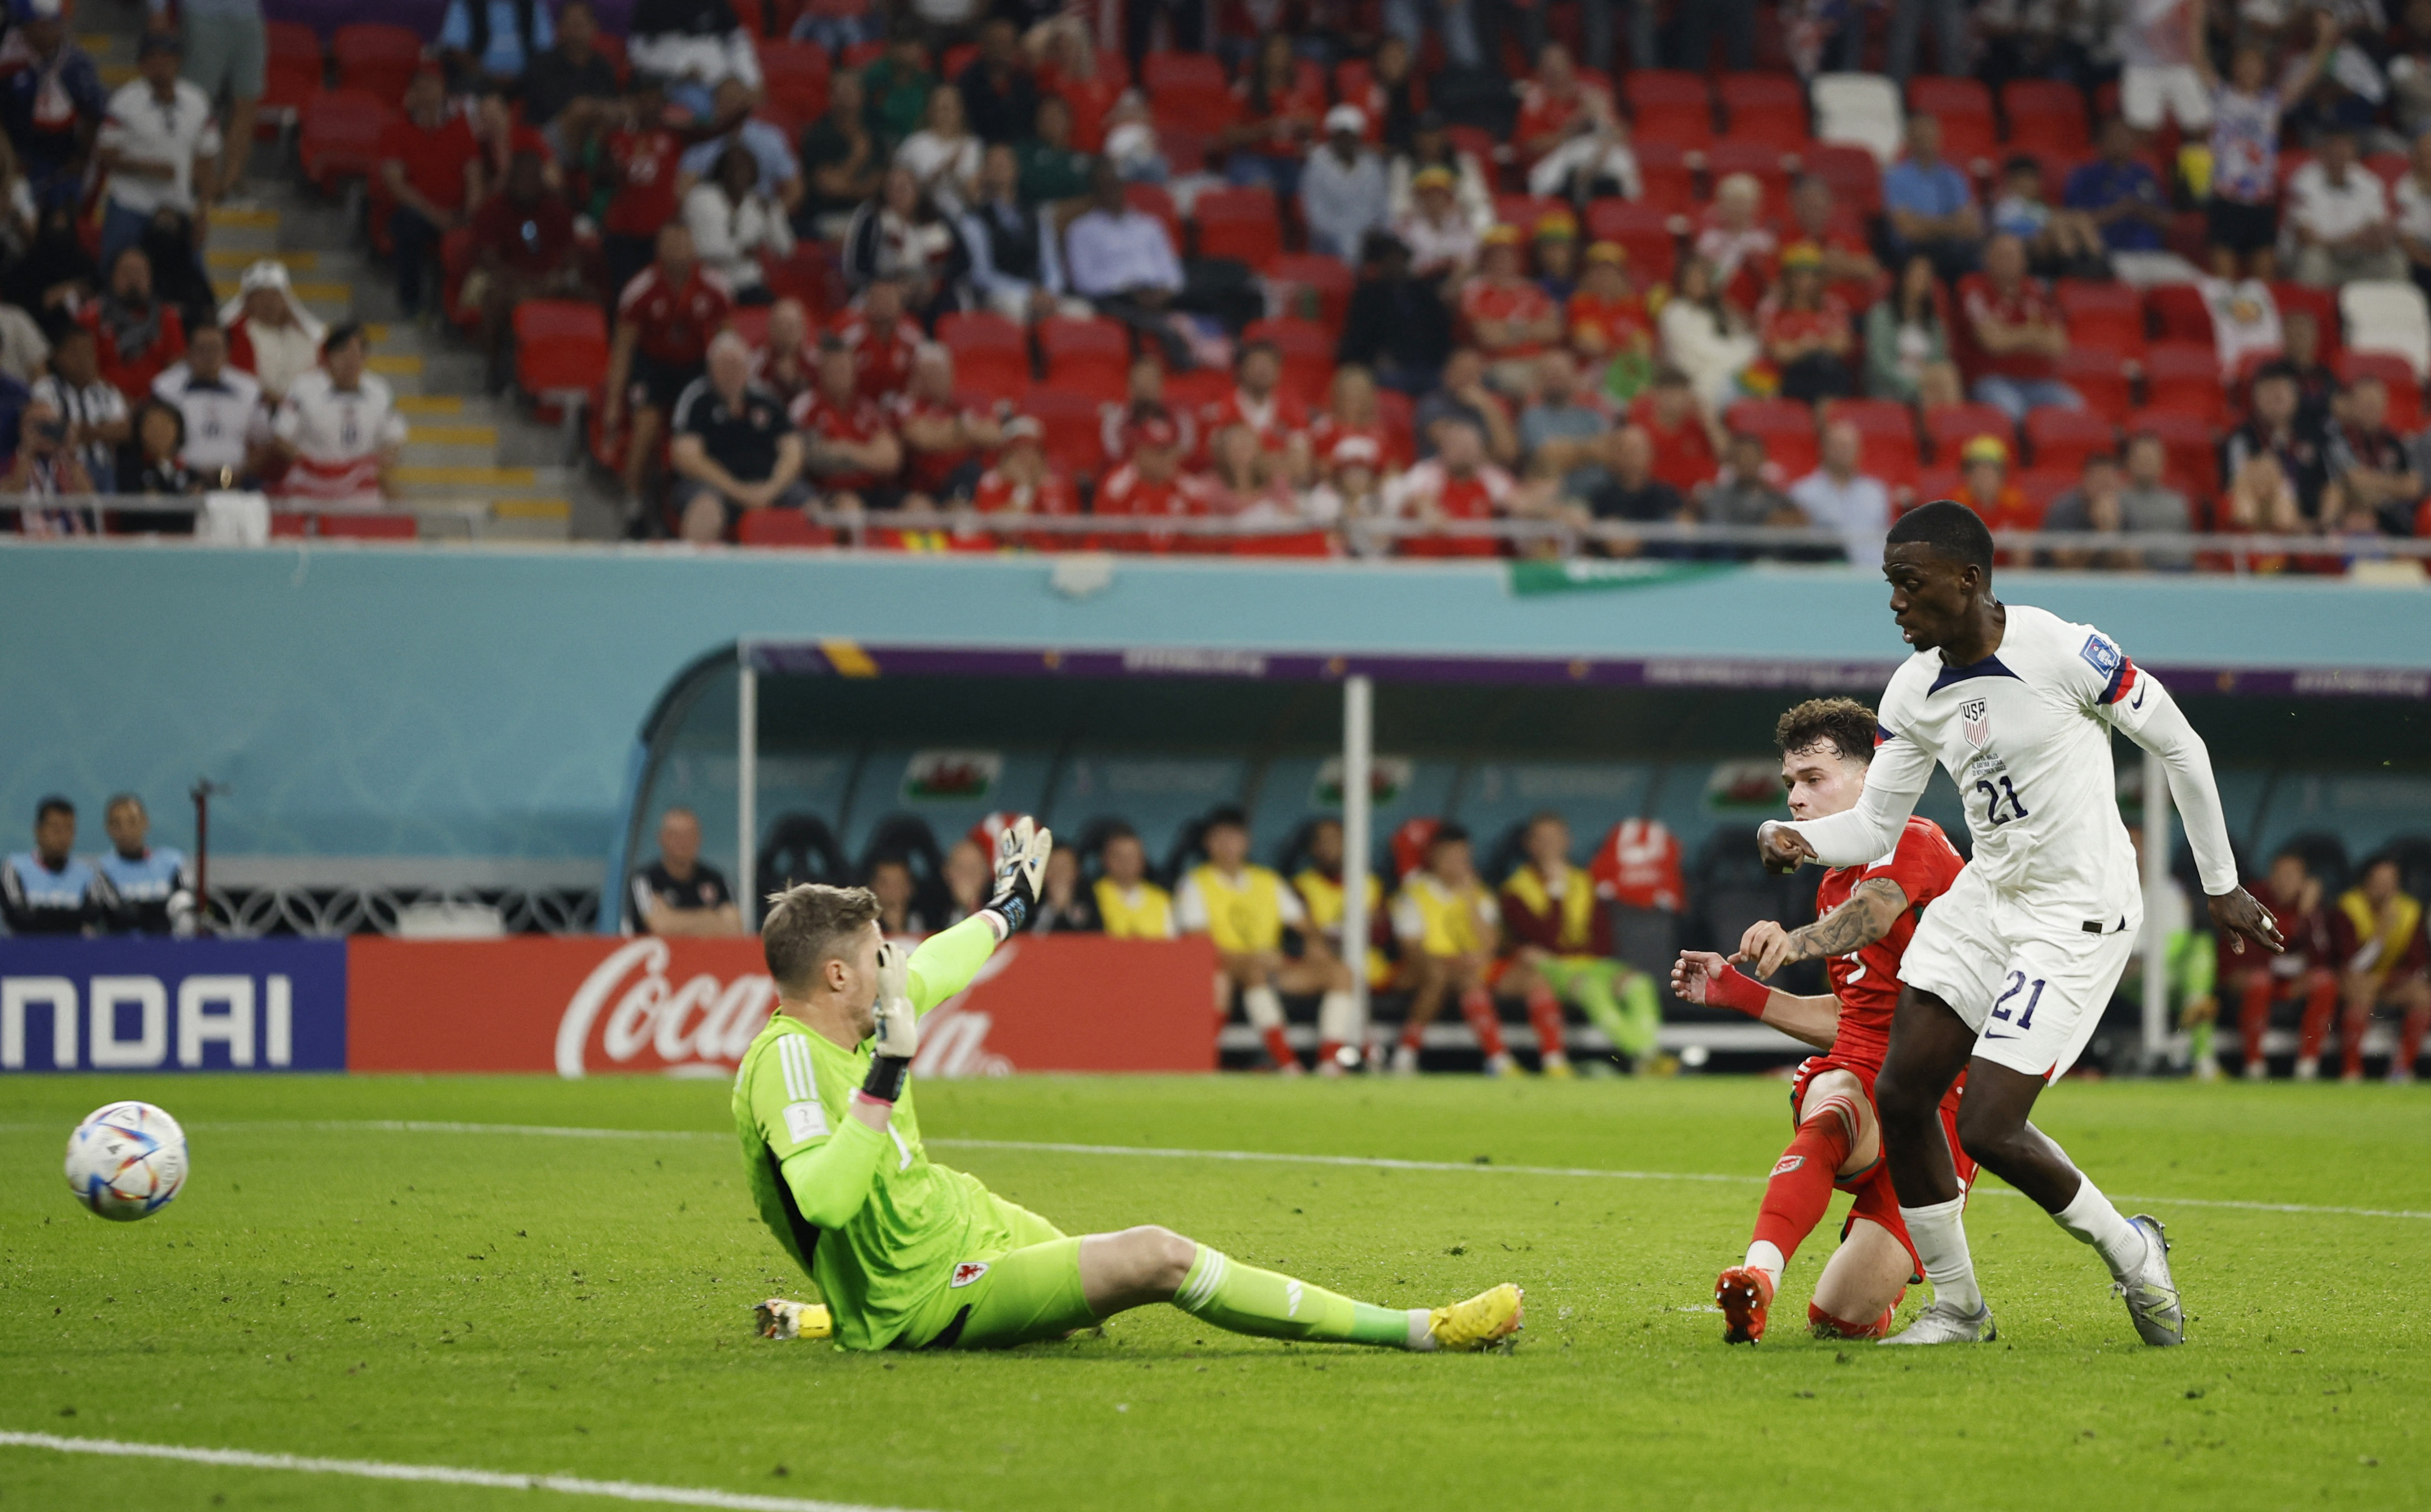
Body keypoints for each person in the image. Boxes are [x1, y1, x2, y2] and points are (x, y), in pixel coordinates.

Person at [1756, 500, 2282, 1346]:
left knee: (1990, 1125)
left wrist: (2221, 884)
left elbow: (2181, 744)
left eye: (1909, 583)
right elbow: (1872, 829)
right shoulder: (1912, 687)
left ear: (1967, 581)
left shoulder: (2063, 648)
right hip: (1987, 899)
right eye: (1891, 584)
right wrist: (1796, 837)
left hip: (2075, 911)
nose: (1894, 601)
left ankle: (2133, 1250)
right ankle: (1959, 1307)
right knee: (1901, 1089)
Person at [735, 819, 1526, 1354]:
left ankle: (814, 1317)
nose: (896, 966)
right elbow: (827, 1203)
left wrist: (1012, 903)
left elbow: (945, 956)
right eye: (880, 955)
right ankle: (1419, 1327)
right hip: (920, 1292)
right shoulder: (789, 1064)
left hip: (960, 1216)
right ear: (837, 974)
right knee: (1155, 1257)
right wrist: (888, 1073)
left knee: (1087, 1325)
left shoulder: (875, 1007)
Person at [1675, 697, 1970, 1343]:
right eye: (1790, 784)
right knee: (1836, 1097)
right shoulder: (1833, 880)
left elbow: (1875, 912)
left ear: (1873, 778)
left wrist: (1798, 940)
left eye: (1814, 779)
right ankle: (1758, 1277)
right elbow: (1853, 1020)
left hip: (1947, 1098)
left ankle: (1882, 1286)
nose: (1797, 799)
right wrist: (1740, 994)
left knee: (1839, 1320)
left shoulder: (1914, 841)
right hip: (1867, 1075)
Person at [1174, 806, 1361, 1076]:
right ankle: (1287, 1063)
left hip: (1272, 966)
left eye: (1234, 837)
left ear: (1246, 842)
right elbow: (1198, 944)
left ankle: (1330, 1062)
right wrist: (1253, 958)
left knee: (1341, 972)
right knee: (1252, 969)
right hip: (1225, 969)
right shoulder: (1195, 883)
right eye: (1220, 838)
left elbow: (1307, 926)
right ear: (1208, 843)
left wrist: (1315, 946)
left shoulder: (1267, 881)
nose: (1228, 845)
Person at [1499, 812, 1665, 1077]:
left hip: (1593, 964)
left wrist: (1611, 969)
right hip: (1552, 967)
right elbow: (1542, 941)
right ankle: (1646, 1056)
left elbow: (1602, 939)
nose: (1549, 846)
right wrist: (1556, 892)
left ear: (1567, 842)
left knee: (1638, 983)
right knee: (1592, 989)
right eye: (1542, 839)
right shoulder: (1516, 889)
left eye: (1555, 838)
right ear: (1529, 845)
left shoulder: (1585, 882)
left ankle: (1648, 1057)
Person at [2196, 20, 2339, 282]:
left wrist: (2323, 41)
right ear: (2233, 67)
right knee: (2225, 284)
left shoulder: (2272, 102)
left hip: (2261, 203)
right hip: (2226, 199)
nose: (2249, 69)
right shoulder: (2221, 95)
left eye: (2256, 64)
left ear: (2265, 70)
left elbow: (2308, 75)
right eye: (2244, 62)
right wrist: (2197, 13)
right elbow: (2198, 57)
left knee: (2265, 284)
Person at [606, 224, 733, 512]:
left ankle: (710, 491)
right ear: (659, 249)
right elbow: (623, 351)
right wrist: (613, 403)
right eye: (671, 244)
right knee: (647, 425)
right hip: (652, 365)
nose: (678, 250)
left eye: (684, 243)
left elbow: (729, 343)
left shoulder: (715, 286)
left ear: (694, 247)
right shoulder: (640, 289)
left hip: (695, 365)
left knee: (712, 424)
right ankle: (632, 499)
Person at [1388, 824, 1512, 1075]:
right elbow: (1411, 949)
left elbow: (1491, 945)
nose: (1459, 863)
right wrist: (1453, 961)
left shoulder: (1479, 894)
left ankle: (1499, 1059)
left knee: (1479, 978)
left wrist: (1470, 904)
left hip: (1470, 969)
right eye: (1452, 856)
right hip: (1421, 969)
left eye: (1464, 856)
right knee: (1437, 975)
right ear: (1435, 856)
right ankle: (1405, 1054)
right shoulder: (1414, 893)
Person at [95, 32, 219, 277]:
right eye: (152, 58)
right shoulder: (125, 101)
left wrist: (203, 213)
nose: (159, 64)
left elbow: (207, 160)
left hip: (178, 206)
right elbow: (106, 155)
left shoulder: (198, 102)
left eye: (166, 57)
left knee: (189, 277)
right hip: (130, 204)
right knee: (113, 273)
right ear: (141, 64)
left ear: (178, 61)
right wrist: (148, 168)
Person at [471, 150, 598, 389]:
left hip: (550, 279)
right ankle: (495, 367)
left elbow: (571, 253)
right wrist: (522, 281)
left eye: (533, 178)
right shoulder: (493, 209)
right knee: (494, 298)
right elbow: (488, 258)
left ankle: (586, 373)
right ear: (511, 179)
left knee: (591, 297)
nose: (527, 185)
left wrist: (557, 277)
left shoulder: (556, 208)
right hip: (509, 280)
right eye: (522, 178)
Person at [669, 330, 806, 543]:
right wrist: (738, 490)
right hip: (715, 486)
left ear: (748, 367)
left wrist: (770, 489)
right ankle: (695, 573)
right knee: (706, 509)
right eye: (724, 365)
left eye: (737, 365)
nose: (731, 372)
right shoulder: (697, 399)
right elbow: (686, 458)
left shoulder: (766, 398)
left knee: (813, 509)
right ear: (711, 368)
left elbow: (793, 451)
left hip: (768, 485)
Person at [2224, 848, 2337, 1080]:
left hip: (2290, 983)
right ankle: (2254, 1065)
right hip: (2256, 979)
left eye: (2292, 876)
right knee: (2259, 981)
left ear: (2304, 882)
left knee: (2324, 982)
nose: (2284, 882)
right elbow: (2255, 952)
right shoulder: (2252, 901)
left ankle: (2308, 1064)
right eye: (2279, 875)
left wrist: (2308, 913)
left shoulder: (2312, 908)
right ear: (2270, 877)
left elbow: (2322, 956)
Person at [379, 67, 483, 319]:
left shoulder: (459, 127)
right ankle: (411, 301)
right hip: (420, 212)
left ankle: (470, 308)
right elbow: (396, 184)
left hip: (457, 211)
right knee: (407, 223)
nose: (428, 93)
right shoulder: (396, 129)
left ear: (444, 91)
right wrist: (435, 215)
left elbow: (474, 174)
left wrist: (472, 212)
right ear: (411, 94)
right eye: (421, 87)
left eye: (433, 86)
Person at [269, 323, 408, 509]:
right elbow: (281, 436)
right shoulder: (304, 388)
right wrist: (314, 468)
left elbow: (394, 439)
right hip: (313, 487)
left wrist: (377, 464)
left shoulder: (379, 390)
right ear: (329, 356)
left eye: (358, 353)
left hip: (360, 488)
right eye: (344, 353)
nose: (352, 361)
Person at [2327, 856, 2430, 1083]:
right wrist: (2380, 937)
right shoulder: (2348, 907)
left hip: (2389, 981)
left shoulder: (2409, 911)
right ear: (2365, 882)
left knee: (2423, 996)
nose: (2384, 888)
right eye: (2378, 881)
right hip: (2353, 980)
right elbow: (2351, 964)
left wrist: (2387, 978)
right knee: (2360, 989)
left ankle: (2401, 1069)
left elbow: (2417, 964)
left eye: (2390, 881)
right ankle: (2352, 1070)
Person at [148, 0, 261, 203]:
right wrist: (157, 9)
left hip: (249, 15)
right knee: (197, 101)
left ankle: (230, 181)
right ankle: (194, 178)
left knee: (247, 99)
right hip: (203, 15)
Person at [1961, 233, 2078, 424]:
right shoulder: (1973, 286)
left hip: (2041, 381)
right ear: (1987, 259)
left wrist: (2009, 334)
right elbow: (1993, 342)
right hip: (1992, 380)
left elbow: (2058, 345)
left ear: (2024, 261)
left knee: (2076, 412)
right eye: (2001, 255)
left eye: (2013, 256)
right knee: (2013, 413)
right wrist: (2033, 333)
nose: (2008, 262)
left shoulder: (2036, 290)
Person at [0, 0, 107, 209]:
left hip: (62, 162)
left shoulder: (75, 64)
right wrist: (9, 158)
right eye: (27, 26)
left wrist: (82, 157)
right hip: (18, 159)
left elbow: (94, 111)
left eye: (44, 26)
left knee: (60, 227)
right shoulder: (10, 59)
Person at [839, 164, 970, 318]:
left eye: (902, 188)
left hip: (931, 290)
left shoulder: (938, 219)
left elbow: (963, 262)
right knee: (883, 305)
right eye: (891, 189)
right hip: (883, 288)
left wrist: (935, 285)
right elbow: (855, 269)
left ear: (917, 191)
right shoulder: (872, 218)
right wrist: (890, 288)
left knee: (950, 304)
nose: (896, 195)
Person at [792, 338, 902, 514]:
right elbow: (814, 459)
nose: (840, 375)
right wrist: (868, 454)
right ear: (821, 372)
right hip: (828, 493)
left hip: (874, 489)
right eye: (834, 370)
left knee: (918, 507)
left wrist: (845, 451)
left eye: (844, 368)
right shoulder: (806, 407)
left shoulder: (867, 408)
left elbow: (891, 460)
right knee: (849, 509)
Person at [151, 317, 265, 487]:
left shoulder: (248, 389)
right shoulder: (166, 388)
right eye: (202, 350)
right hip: (182, 479)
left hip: (233, 480)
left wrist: (240, 473)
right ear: (188, 352)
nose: (209, 357)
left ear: (227, 352)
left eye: (215, 349)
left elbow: (264, 442)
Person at [1338, 230, 1454, 396]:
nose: (1396, 264)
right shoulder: (1368, 295)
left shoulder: (1423, 292)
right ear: (1380, 264)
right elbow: (1358, 337)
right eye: (1390, 260)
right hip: (1389, 367)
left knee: (1446, 383)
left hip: (1428, 365)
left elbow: (1441, 331)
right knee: (1389, 378)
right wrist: (1374, 358)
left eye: (1400, 259)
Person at [2288, 126, 2405, 287]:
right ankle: (2311, 309)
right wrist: (2350, 240)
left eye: (2345, 150)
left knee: (2395, 259)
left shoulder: (2370, 183)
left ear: (2355, 154)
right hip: (2324, 257)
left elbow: (2378, 232)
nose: (2340, 155)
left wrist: (2383, 235)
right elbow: (2306, 239)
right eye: (2334, 150)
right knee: (2313, 259)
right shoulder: (2304, 180)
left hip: (2360, 257)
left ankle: (2392, 311)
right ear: (2321, 153)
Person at [1384, 412, 1513, 556]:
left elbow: (1519, 502)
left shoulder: (1491, 476)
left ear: (1480, 449)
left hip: (1479, 565)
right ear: (1443, 448)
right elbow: (1420, 500)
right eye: (1457, 445)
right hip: (1430, 565)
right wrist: (1427, 510)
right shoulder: (1426, 472)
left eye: (1469, 446)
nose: (1464, 452)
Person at [685, 142, 795, 302]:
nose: (739, 173)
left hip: (748, 284)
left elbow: (786, 250)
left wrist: (772, 216)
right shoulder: (702, 198)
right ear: (722, 170)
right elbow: (706, 249)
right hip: (709, 284)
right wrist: (742, 252)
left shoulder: (759, 203)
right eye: (733, 167)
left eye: (746, 168)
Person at [1220, 33, 1320, 200]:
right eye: (1275, 51)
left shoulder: (1297, 92)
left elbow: (1313, 129)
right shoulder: (1245, 89)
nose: (1280, 56)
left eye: (1284, 51)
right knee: (1261, 190)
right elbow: (1228, 135)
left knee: (1319, 185)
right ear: (1263, 56)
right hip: (1252, 159)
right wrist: (1264, 130)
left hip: (1289, 161)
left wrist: (1306, 126)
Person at [2321, 374, 2425, 536]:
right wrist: (2393, 487)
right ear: (2352, 404)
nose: (2372, 409)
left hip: (2392, 522)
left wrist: (2374, 486)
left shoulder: (2394, 441)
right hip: (2350, 519)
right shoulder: (2337, 439)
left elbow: (2414, 486)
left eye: (2376, 403)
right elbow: (2356, 481)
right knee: (2335, 493)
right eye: (2366, 403)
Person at [626, 0, 761, 120]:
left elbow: (737, 40)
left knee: (764, 130)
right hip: (675, 86)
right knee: (701, 107)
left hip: (723, 80)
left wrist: (751, 81)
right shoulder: (651, 5)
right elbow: (637, 52)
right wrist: (680, 71)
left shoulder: (714, 3)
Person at [34, 324, 130, 492]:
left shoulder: (107, 392)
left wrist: (85, 432)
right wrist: (102, 431)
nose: (84, 359)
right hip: (61, 470)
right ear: (57, 356)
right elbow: (51, 431)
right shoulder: (45, 389)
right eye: (75, 352)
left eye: (88, 352)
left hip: (104, 468)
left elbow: (125, 430)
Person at [1657, 257, 1757, 414]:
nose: (1699, 281)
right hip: (1695, 386)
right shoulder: (1674, 312)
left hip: (1729, 376)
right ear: (1682, 281)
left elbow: (1747, 337)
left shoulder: (1715, 312)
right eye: (1693, 277)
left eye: (1703, 276)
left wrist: (1723, 304)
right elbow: (1696, 358)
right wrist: (1747, 352)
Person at [1757, 243, 1854, 402]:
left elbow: (1842, 346)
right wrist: (1811, 345)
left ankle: (1826, 417)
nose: (1805, 282)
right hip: (1784, 375)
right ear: (1787, 278)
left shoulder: (1834, 305)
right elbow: (1779, 353)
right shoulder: (1771, 308)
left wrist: (1807, 345)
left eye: (1811, 276)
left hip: (1827, 370)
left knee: (1828, 370)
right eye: (1798, 276)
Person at [2064, 116, 2174, 256]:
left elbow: (2168, 220)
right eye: (2114, 136)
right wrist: (2119, 210)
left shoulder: (2145, 174)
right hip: (2106, 256)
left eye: (2125, 136)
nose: (2120, 141)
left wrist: (2138, 209)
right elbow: (2072, 221)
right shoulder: (2085, 176)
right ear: (2100, 142)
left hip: (2152, 255)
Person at [1790, 419, 1893, 566]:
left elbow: (1884, 538)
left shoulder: (1876, 492)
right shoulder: (1803, 493)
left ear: (1860, 450)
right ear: (1823, 449)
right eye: (1838, 446)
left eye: (1849, 446)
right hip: (1824, 576)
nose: (1844, 451)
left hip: (1871, 574)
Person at [90, 793, 194, 936]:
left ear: (145, 823)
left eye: (132, 821)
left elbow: (187, 909)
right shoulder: (102, 870)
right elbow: (118, 918)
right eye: (117, 823)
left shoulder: (172, 863)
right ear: (108, 828)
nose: (125, 830)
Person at [220, 258, 322, 405]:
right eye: (260, 296)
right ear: (247, 301)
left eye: (275, 295)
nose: (269, 302)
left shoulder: (305, 336)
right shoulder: (238, 334)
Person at [632, 806, 742, 934]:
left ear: (699, 838)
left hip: (709, 954)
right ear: (661, 838)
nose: (682, 841)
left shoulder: (717, 880)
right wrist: (710, 916)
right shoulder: (646, 880)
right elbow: (660, 926)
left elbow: (735, 928)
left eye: (689, 834)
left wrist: (673, 918)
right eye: (674, 835)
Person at [800, 72, 884, 240]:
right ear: (831, 97)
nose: (847, 97)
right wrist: (856, 158)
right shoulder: (818, 136)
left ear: (862, 96)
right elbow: (829, 186)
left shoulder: (874, 135)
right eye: (842, 91)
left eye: (852, 91)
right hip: (830, 216)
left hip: (871, 215)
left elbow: (878, 185)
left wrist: (846, 186)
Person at [519, 0, 619, 139]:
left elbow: (611, 102)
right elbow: (554, 107)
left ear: (594, 27)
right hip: (546, 137)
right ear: (560, 28)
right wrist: (592, 109)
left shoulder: (603, 67)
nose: (576, 31)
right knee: (582, 110)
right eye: (572, 24)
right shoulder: (542, 64)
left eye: (580, 25)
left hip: (593, 134)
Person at [1863, 253, 1954, 404]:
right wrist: (1913, 385)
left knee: (1946, 374)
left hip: (1927, 382)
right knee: (1937, 384)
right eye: (1918, 274)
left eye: (1927, 276)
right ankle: (1952, 425)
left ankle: (1950, 425)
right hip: (1890, 386)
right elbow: (1880, 365)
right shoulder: (1881, 316)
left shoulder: (1935, 324)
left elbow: (1938, 361)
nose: (1923, 281)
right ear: (1904, 278)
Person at [1, 795, 96, 935]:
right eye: (55, 828)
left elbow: (92, 916)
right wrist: (70, 916)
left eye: (68, 829)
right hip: (23, 953)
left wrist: (41, 913)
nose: (62, 836)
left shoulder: (87, 873)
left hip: (74, 953)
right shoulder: (14, 867)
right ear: (38, 830)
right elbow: (19, 918)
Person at [1302, 104, 1387, 262]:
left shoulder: (1372, 165)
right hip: (1329, 236)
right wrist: (1346, 233)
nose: (1347, 141)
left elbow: (1382, 206)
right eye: (1342, 136)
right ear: (1333, 137)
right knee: (1348, 247)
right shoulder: (1318, 163)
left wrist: (1377, 232)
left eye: (1351, 136)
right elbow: (1314, 212)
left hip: (1367, 235)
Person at [2115, 0, 2207, 137]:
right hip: (2141, 66)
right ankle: (2144, 159)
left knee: (2200, 125)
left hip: (2180, 65)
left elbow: (2196, 26)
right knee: (2142, 129)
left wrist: (2202, 65)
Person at [894, 83, 981, 216]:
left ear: (960, 111)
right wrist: (942, 171)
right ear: (930, 110)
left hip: (961, 218)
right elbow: (898, 187)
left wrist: (955, 174)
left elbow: (974, 197)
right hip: (921, 218)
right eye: (940, 108)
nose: (945, 113)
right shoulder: (914, 145)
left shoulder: (972, 146)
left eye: (950, 108)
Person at [437, 0, 555, 95]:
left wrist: (522, 76)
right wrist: (487, 77)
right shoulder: (465, 3)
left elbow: (545, 49)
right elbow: (456, 50)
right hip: (479, 80)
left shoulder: (534, 4)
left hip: (526, 80)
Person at [954, 17, 1035, 148]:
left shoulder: (1025, 84)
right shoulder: (967, 83)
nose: (1002, 50)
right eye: (997, 43)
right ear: (984, 46)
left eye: (1008, 43)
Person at [1093, 825, 1175, 938]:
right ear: (1104, 859)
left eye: (1132, 856)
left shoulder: (1161, 899)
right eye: (1118, 856)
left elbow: (1172, 946)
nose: (1126, 862)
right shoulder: (1093, 895)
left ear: (1143, 859)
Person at [1012, 93, 1092, 208]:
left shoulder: (1082, 158)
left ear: (1069, 121)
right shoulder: (1024, 152)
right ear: (1037, 121)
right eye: (1046, 116)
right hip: (1035, 215)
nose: (1052, 121)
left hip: (1080, 219)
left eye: (1056, 116)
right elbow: (1034, 186)